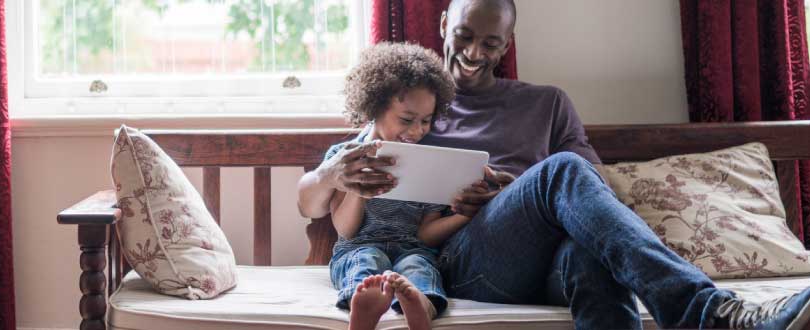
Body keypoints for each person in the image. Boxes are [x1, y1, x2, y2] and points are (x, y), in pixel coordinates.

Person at [297, 0, 810, 329]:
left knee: (588, 253)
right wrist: (330, 176)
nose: (474, 52)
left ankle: (707, 311)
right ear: (443, 26)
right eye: (465, 36)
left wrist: (514, 189)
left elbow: (594, 192)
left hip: (542, 253)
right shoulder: (414, 106)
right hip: (463, 259)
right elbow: (323, 195)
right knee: (560, 170)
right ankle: (709, 313)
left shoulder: (547, 103)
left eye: (490, 42)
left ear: (507, 44)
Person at [326, 42, 461, 330]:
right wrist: (357, 186)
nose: (417, 130)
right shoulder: (344, 157)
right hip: (358, 247)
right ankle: (362, 306)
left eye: (426, 121)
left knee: (418, 265)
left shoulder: (431, 161)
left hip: (411, 248)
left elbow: (426, 234)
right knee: (367, 258)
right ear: (374, 108)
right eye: (406, 119)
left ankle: (421, 305)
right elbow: (345, 230)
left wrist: (466, 214)